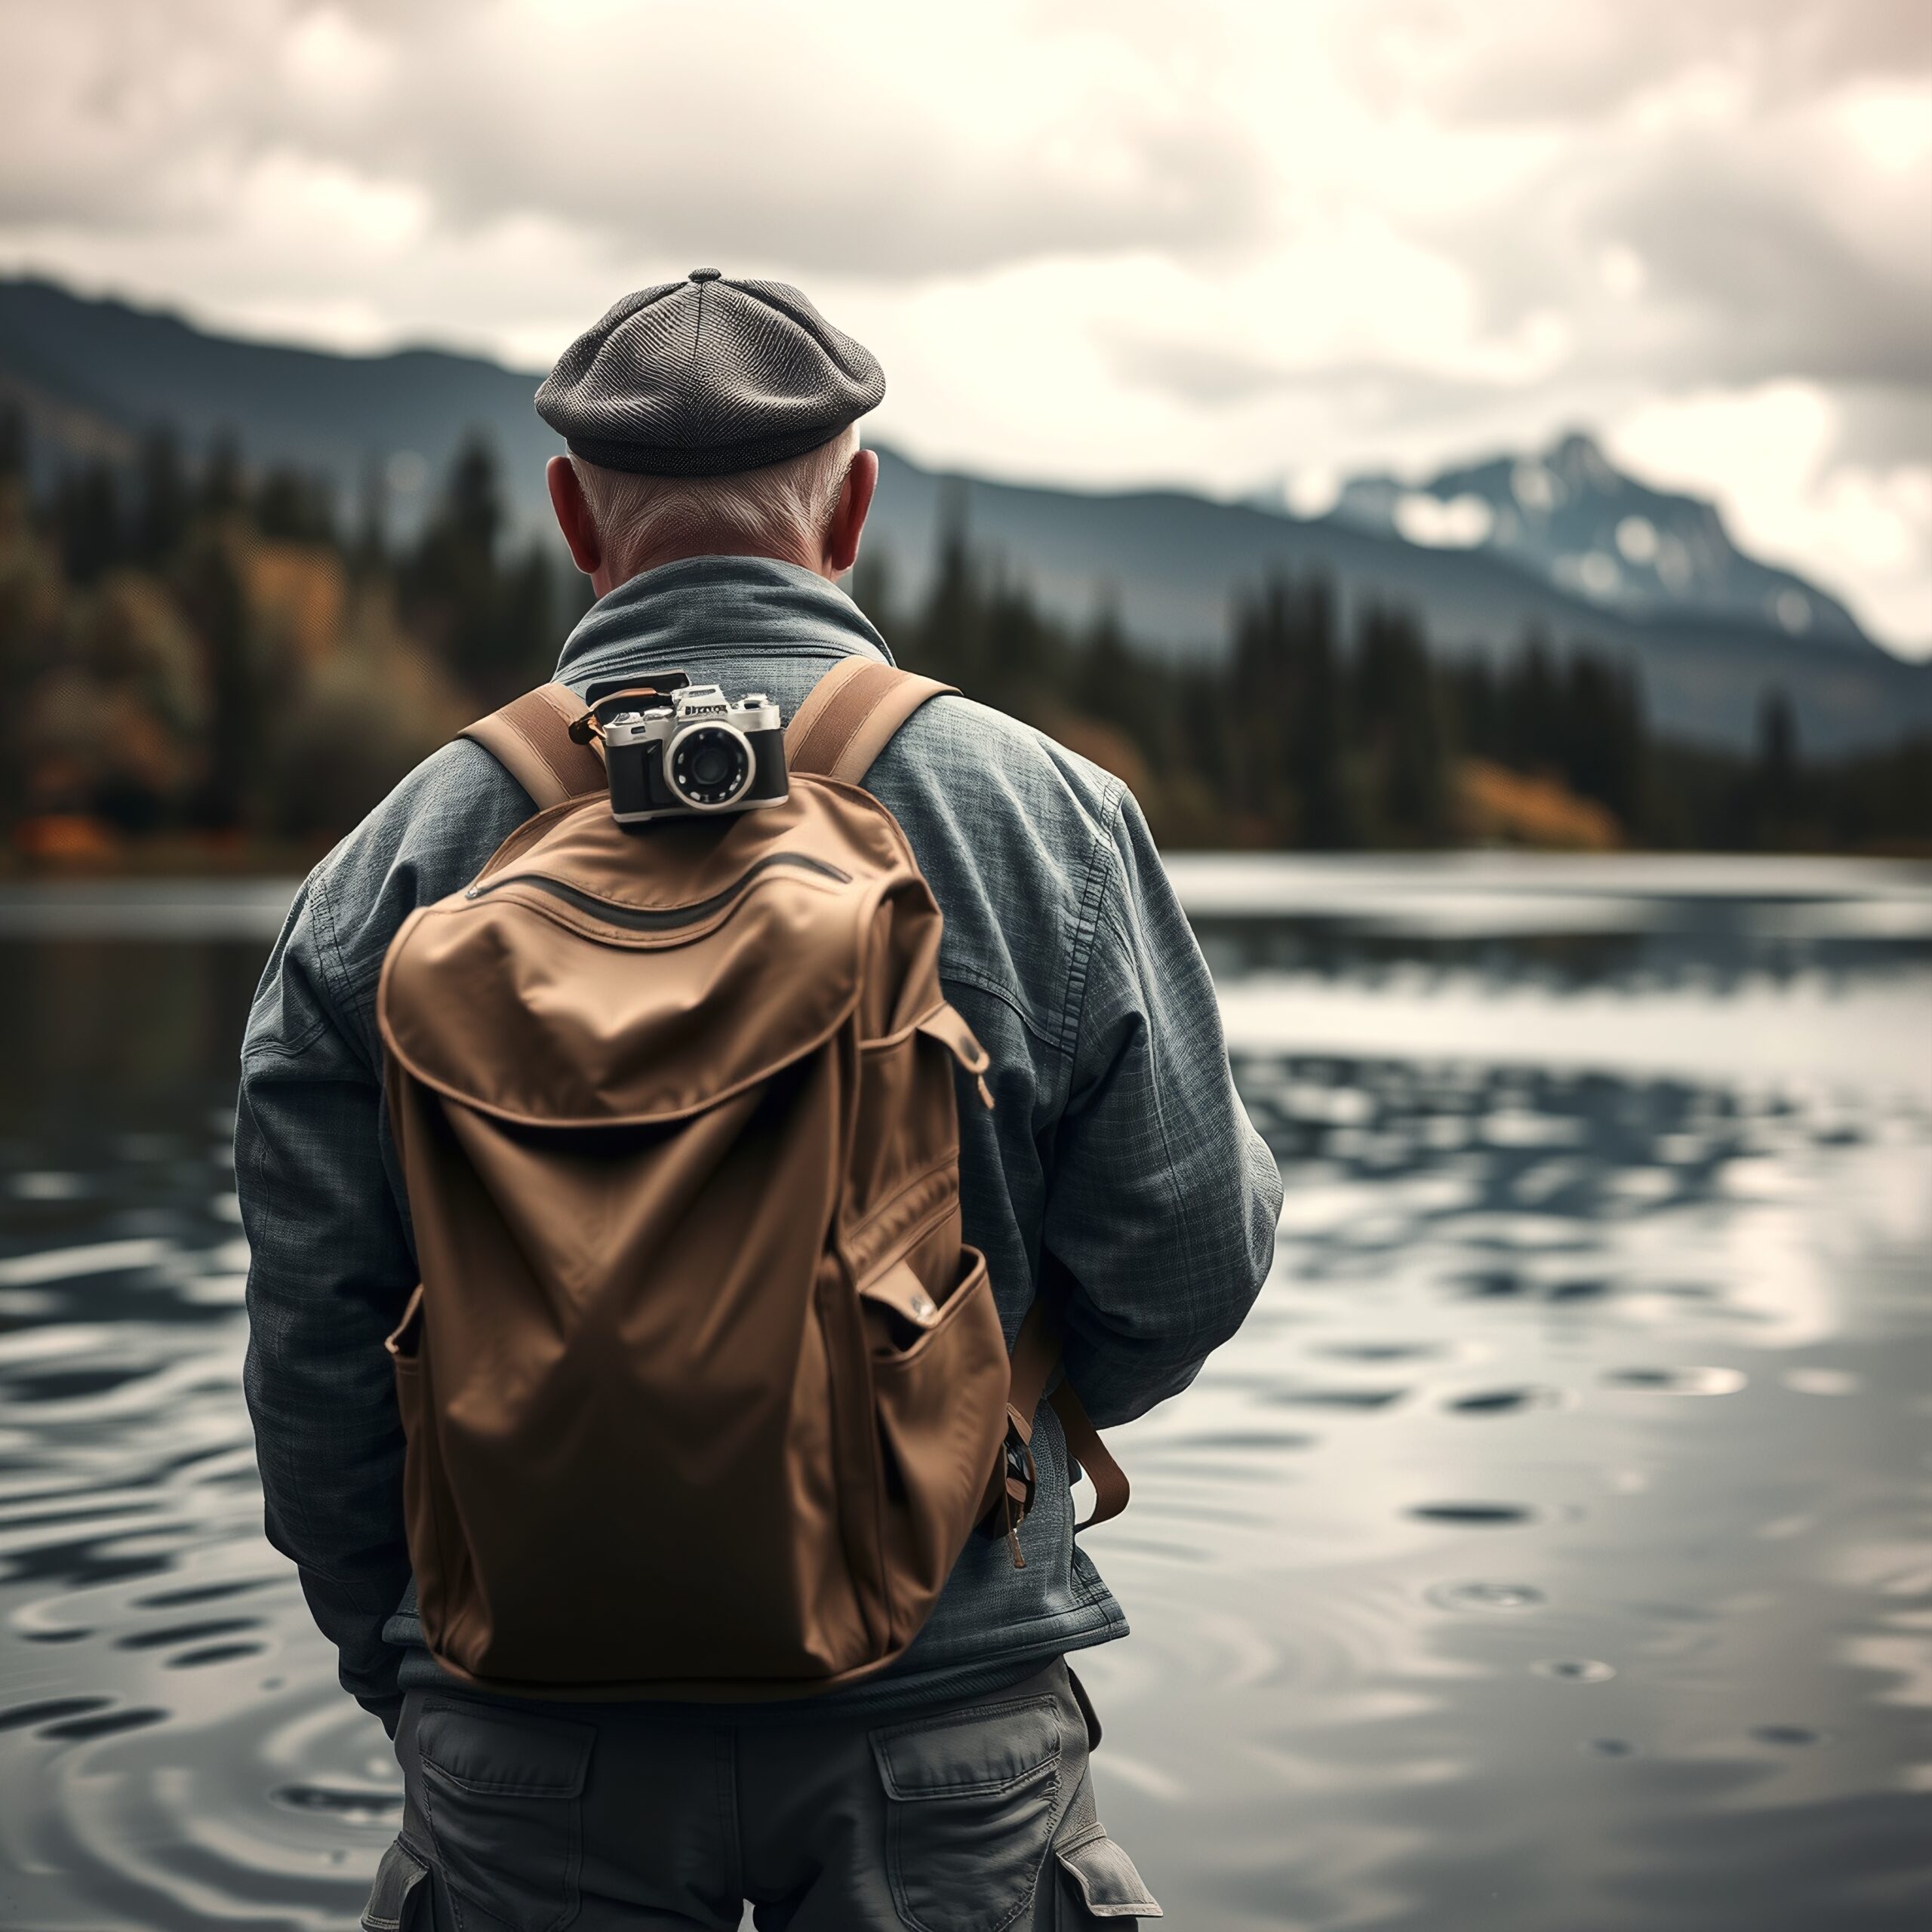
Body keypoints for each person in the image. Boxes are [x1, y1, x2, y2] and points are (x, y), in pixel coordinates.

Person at [238, 269, 1282, 1930]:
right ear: (852, 502)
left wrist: (424, 1673)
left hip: (525, 1750)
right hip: (940, 1745)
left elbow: (315, 1372)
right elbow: (1183, 1262)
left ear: (575, 515)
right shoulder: (1044, 816)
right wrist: (975, 1444)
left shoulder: (388, 865)